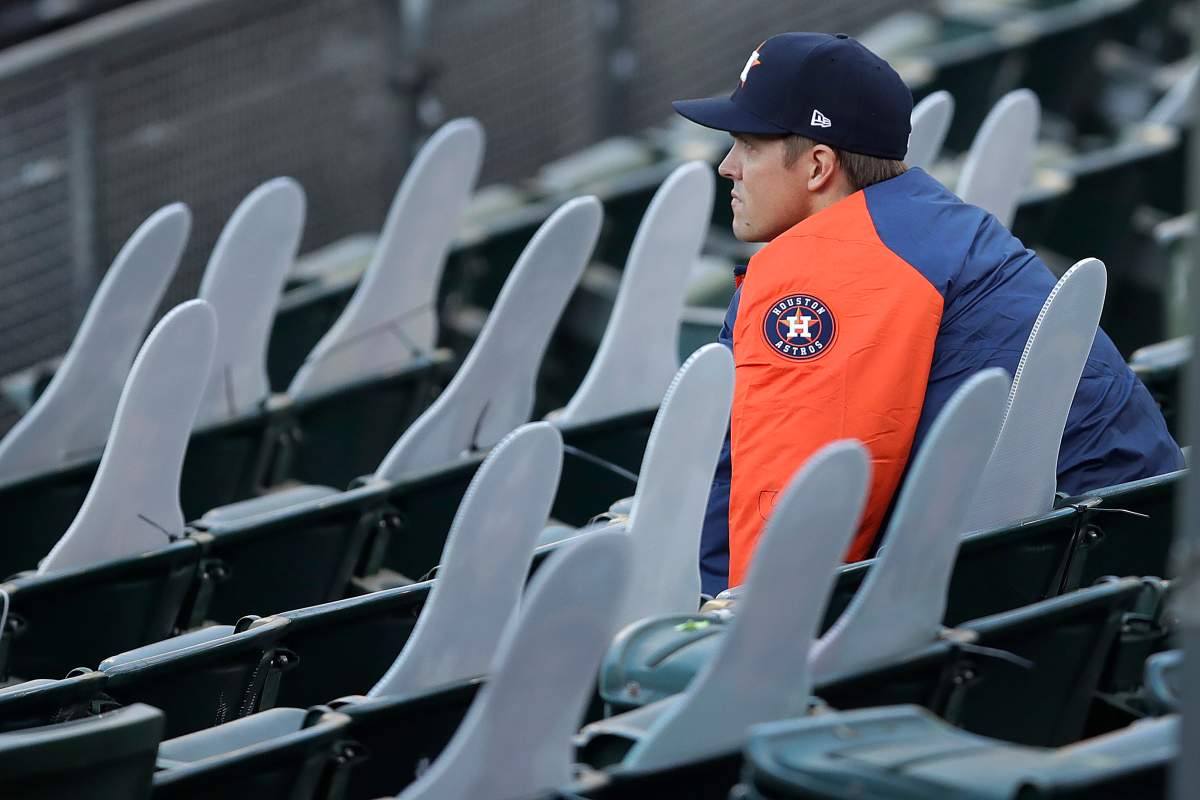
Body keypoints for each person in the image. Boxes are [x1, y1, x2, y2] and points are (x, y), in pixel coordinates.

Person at [673, 32, 1184, 595]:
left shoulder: (831, 269)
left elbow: (787, 539)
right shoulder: (930, 222)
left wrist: (712, 629)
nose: (727, 167)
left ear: (818, 166)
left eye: (748, 145)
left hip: (1052, 577)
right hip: (1124, 554)